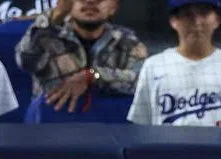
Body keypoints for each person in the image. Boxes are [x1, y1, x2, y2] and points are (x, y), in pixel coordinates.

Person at [127, 0, 221, 127]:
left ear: (217, 20)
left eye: (204, 13)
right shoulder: (154, 66)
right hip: (169, 151)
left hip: (219, 151)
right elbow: (141, 126)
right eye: (188, 15)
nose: (197, 22)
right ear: (174, 21)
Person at [14, 0, 147, 112]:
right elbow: (25, 61)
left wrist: (93, 75)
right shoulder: (46, 36)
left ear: (114, 7)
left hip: (108, 127)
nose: (90, 1)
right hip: (52, 122)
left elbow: (143, 82)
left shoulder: (127, 41)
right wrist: (53, 18)